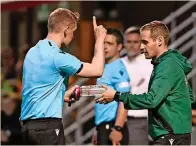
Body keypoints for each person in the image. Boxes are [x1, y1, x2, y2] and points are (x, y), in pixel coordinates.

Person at [95, 20, 194, 145]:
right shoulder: (168, 63)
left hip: (171, 134)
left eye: (145, 42)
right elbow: (189, 97)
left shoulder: (167, 66)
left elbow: (151, 100)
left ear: (160, 41)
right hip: (172, 133)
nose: (141, 47)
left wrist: (117, 95)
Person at [20, 8, 107, 145]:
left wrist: (61, 94)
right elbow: (97, 70)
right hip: (47, 127)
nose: (73, 36)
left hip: (28, 127)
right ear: (66, 29)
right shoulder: (58, 56)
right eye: (73, 31)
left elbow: (40, 87)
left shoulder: (32, 52)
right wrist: (100, 39)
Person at [92, 28, 130, 145]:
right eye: (103, 42)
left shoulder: (119, 69)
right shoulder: (104, 67)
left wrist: (118, 128)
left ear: (119, 47)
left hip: (113, 128)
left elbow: (125, 100)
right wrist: (97, 129)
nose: (104, 46)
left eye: (109, 43)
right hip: (103, 127)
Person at [121, 26, 153, 145]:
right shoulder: (120, 64)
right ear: (123, 43)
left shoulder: (151, 64)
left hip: (145, 117)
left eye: (136, 42)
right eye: (129, 42)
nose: (132, 45)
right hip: (123, 118)